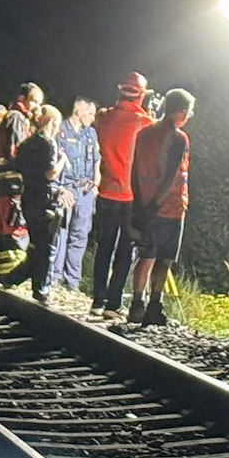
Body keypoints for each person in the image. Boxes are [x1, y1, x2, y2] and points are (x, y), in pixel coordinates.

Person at [125, 87, 194, 326]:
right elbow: (172, 175)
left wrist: (139, 202)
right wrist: (156, 204)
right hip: (170, 207)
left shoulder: (144, 133)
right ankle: (154, 306)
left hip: (144, 202)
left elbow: (133, 169)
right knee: (163, 259)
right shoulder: (178, 138)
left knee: (146, 255)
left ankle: (137, 305)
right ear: (181, 112)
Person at [89, 72, 154, 320]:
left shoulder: (103, 117)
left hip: (106, 192)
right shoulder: (142, 121)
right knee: (125, 251)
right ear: (139, 95)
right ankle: (113, 304)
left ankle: (98, 299)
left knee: (104, 247)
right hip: (129, 197)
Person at [0, 104, 70, 303]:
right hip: (45, 201)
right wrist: (63, 160)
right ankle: (42, 290)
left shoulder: (26, 143)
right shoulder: (48, 144)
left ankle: (12, 278)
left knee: (36, 245)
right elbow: (50, 173)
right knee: (47, 248)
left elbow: (18, 167)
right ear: (53, 122)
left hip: (28, 198)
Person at [0, 82, 42, 277]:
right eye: (34, 102)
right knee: (13, 227)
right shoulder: (17, 118)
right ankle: (12, 272)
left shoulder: (5, 117)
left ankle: (1, 270)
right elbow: (16, 150)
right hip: (10, 182)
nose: (37, 108)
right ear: (22, 99)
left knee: (2, 228)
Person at [51, 97, 99, 293]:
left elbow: (96, 158)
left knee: (80, 236)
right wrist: (57, 188)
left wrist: (96, 184)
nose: (93, 118)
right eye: (90, 113)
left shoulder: (91, 133)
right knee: (60, 232)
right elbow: (52, 160)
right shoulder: (60, 131)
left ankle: (72, 282)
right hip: (66, 187)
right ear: (79, 111)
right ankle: (54, 277)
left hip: (86, 190)